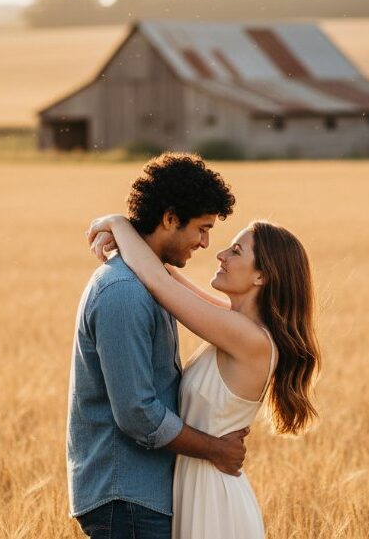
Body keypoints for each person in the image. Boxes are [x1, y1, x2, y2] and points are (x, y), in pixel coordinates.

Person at [86, 202, 321, 538]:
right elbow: (166, 275)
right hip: (199, 484)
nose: (220, 254)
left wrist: (116, 222)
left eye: (236, 251)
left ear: (261, 275)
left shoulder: (249, 339)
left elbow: (158, 283)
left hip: (214, 498)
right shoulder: (236, 324)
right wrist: (129, 233)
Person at [66, 153, 246, 539]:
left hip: (140, 495)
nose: (205, 243)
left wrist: (118, 224)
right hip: (128, 496)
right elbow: (137, 413)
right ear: (169, 219)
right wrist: (215, 449)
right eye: (202, 228)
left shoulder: (151, 282)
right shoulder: (125, 292)